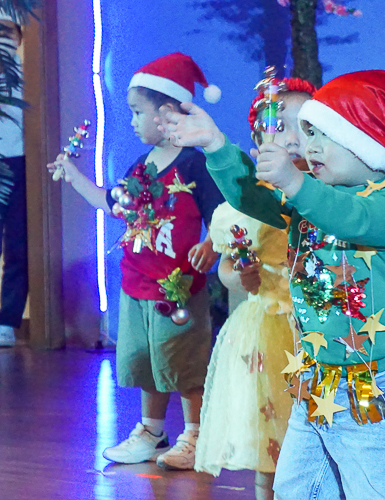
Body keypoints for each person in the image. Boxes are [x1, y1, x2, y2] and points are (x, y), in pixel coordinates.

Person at [158, 70, 385, 500]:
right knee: (299, 489)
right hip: (319, 377)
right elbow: (252, 196)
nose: (308, 147)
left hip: (377, 382)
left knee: (380, 491)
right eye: (307, 134)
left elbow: (348, 216)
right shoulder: (308, 198)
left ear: (367, 139)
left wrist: (295, 184)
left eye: (323, 135)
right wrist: (216, 145)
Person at [47, 52, 225, 470]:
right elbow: (113, 205)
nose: (131, 121)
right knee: (147, 361)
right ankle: (151, 432)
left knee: (182, 359)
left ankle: (196, 435)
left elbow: (222, 213)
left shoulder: (195, 162)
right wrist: (74, 177)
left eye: (136, 112)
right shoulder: (141, 167)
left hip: (177, 288)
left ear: (165, 113)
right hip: (138, 283)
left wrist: (213, 247)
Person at [194, 77, 316, 500]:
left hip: (318, 328)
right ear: (259, 135)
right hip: (267, 329)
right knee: (270, 431)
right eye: (281, 127)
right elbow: (229, 267)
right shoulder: (247, 199)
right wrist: (239, 277)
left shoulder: (327, 190)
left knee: (317, 433)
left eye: (306, 126)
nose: (294, 138)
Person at [0, 10, 27, 348]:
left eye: (7, 31)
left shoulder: (30, 71)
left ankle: (7, 320)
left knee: (19, 243)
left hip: (21, 162)